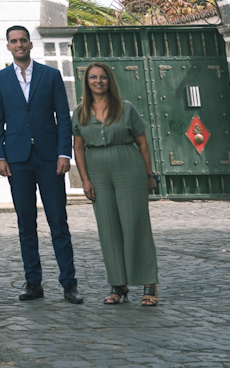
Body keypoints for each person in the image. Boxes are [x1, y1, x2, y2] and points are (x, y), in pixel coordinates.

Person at [0, 25, 82, 304]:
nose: (18, 45)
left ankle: (69, 284)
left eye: (22, 40)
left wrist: (64, 154)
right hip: (17, 159)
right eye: (13, 41)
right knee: (25, 224)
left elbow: (63, 118)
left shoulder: (50, 75)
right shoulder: (0, 79)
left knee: (58, 222)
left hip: (48, 158)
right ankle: (33, 283)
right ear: (8, 46)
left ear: (30, 44)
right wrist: (0, 156)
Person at [72, 63, 159, 306]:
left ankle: (149, 283)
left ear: (110, 80)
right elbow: (78, 147)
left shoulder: (126, 108)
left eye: (102, 77)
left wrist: (149, 174)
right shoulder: (79, 112)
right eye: (93, 77)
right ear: (87, 82)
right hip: (97, 171)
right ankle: (118, 285)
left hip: (128, 166)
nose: (98, 81)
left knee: (135, 224)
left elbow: (142, 144)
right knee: (108, 228)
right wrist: (85, 180)